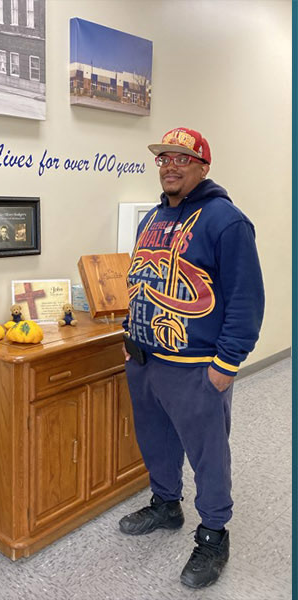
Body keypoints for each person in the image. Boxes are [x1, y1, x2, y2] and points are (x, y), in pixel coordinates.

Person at [119, 127, 263, 589]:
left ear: (203, 166)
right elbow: (140, 280)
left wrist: (227, 363)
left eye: (182, 158)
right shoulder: (151, 220)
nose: (170, 165)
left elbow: (245, 299)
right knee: (156, 443)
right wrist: (129, 332)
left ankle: (214, 533)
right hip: (144, 359)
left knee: (208, 456)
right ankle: (166, 505)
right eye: (164, 157)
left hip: (195, 366)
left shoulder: (226, 221)